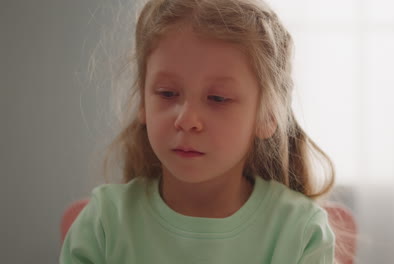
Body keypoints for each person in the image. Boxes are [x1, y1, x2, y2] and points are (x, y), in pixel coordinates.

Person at [60, 0, 337, 263]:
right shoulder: (103, 224)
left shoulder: (300, 231)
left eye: (218, 98)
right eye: (167, 93)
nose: (187, 119)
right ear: (143, 102)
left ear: (266, 117)